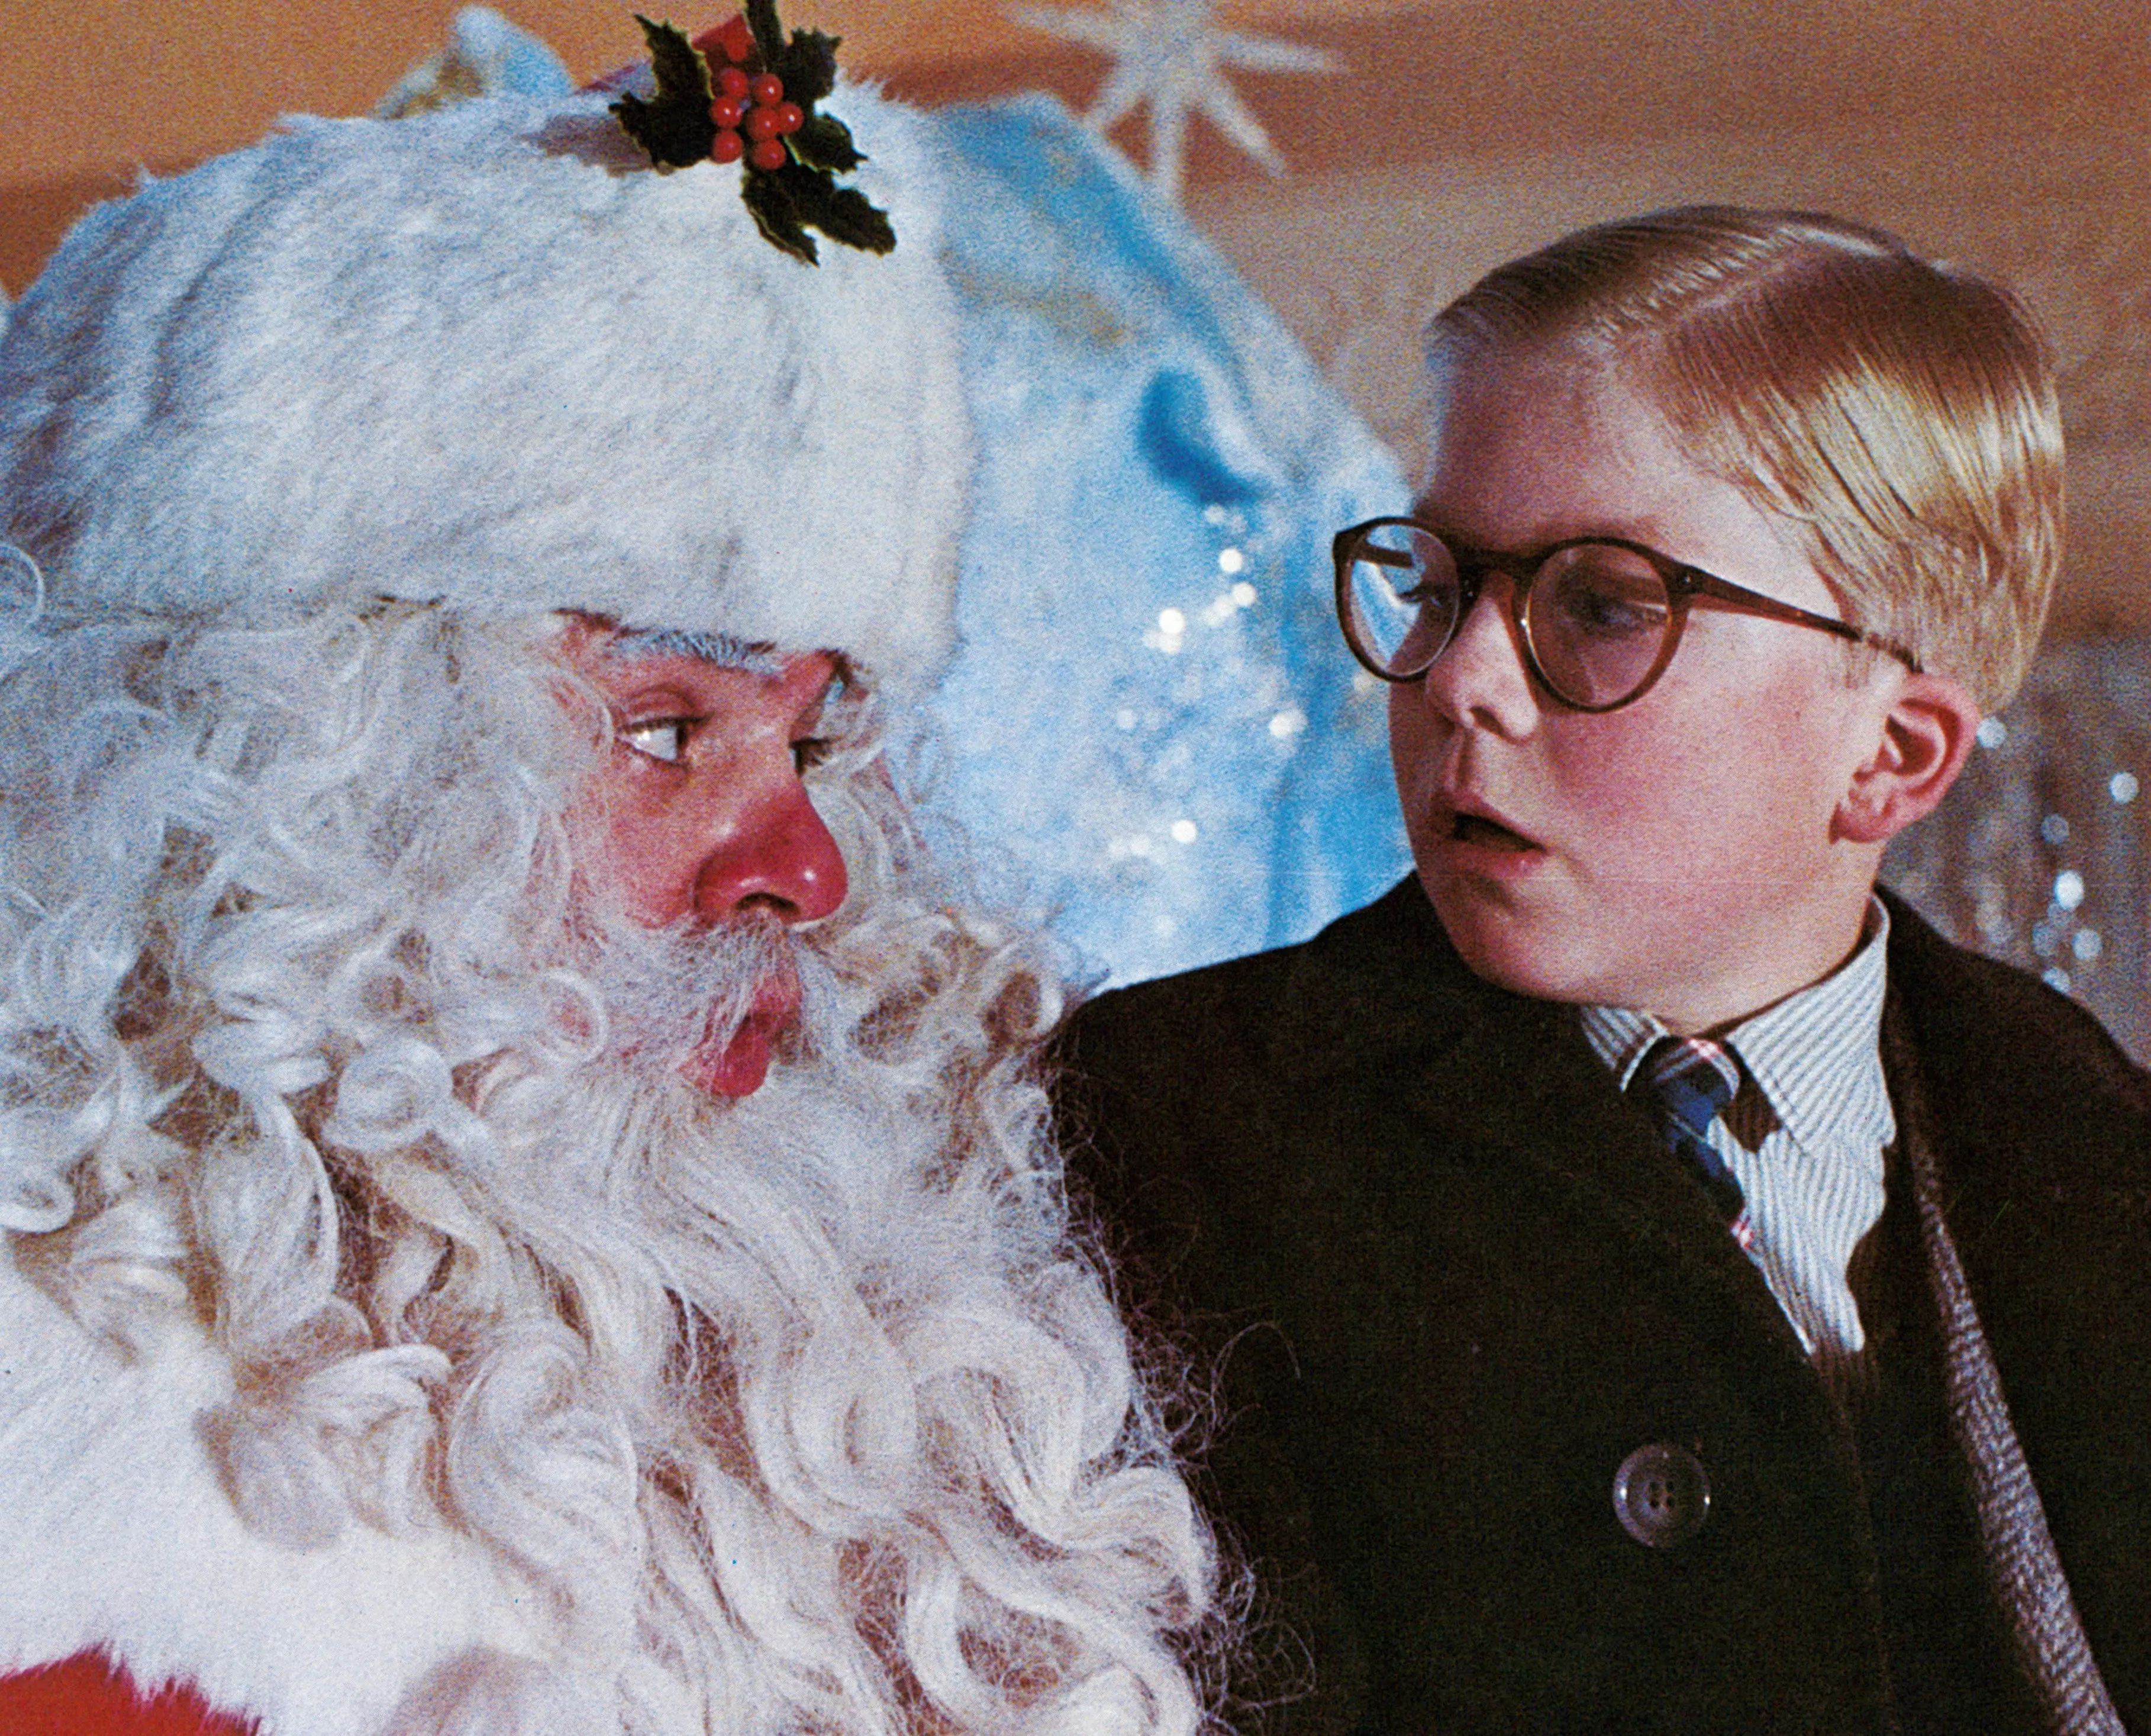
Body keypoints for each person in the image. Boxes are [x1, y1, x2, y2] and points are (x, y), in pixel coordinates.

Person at [0, 53, 1221, 1736]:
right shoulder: (88, 1546)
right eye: (665, 729)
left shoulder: (864, 1399)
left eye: (816, 742)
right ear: (285, 785)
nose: (806, 873)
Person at [1056, 207, 2151, 1735]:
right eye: (1438, 581)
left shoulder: (2079, 1137)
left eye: (1602, 604)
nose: (1459, 678)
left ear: (1890, 759)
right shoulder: (1159, 1127)